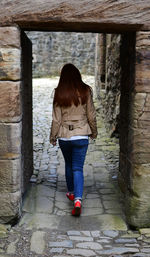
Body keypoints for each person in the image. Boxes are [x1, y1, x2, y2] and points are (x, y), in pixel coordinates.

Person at [50, 63, 97, 216]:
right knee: (78, 168)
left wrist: (53, 136)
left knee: (69, 165)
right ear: (78, 75)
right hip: (82, 134)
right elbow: (91, 114)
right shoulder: (86, 91)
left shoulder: (59, 92)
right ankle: (77, 200)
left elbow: (56, 119)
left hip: (65, 136)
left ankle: (71, 192)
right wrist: (94, 131)